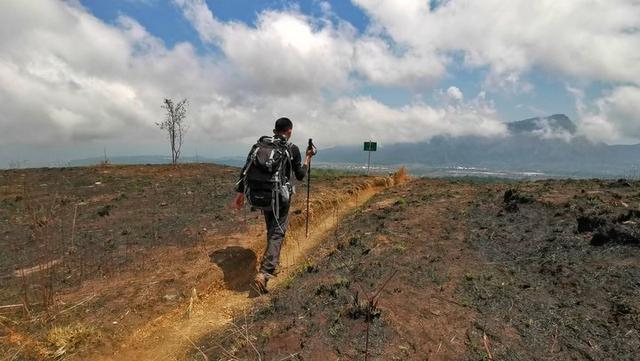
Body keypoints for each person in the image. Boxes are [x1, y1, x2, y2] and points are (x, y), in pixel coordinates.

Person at [232, 117, 314, 293]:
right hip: (279, 198)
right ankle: (265, 272)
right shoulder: (291, 149)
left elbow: (246, 168)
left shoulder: (259, 146)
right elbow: (300, 175)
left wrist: (240, 194)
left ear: (274, 130)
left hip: (259, 196)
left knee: (272, 226)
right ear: (289, 131)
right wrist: (308, 158)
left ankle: (272, 259)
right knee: (278, 231)